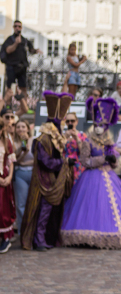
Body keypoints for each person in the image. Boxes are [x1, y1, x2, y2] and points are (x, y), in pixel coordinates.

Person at [61, 97, 121, 249]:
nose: (98, 128)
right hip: (91, 178)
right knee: (93, 207)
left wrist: (113, 159)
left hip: (110, 177)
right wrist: (102, 159)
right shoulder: (87, 141)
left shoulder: (109, 141)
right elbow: (85, 161)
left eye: (101, 125)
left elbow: (114, 164)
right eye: (96, 125)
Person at [21, 91, 74, 251]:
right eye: (61, 121)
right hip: (46, 182)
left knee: (51, 213)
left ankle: (48, 239)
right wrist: (64, 162)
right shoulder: (43, 139)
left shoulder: (58, 138)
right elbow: (45, 162)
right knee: (43, 212)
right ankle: (38, 240)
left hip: (56, 181)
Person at [0, 20, 42, 116]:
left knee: (23, 87)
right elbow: (7, 50)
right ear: (13, 27)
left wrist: (36, 50)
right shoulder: (10, 39)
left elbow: (31, 49)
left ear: (21, 28)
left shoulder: (25, 40)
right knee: (10, 87)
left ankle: (25, 105)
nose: (17, 28)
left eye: (19, 26)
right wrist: (15, 43)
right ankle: (8, 105)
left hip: (22, 67)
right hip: (11, 66)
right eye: (16, 26)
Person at [13, 120, 34, 233]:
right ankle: (22, 232)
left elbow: (38, 160)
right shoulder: (13, 142)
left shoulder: (34, 140)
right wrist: (23, 150)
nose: (21, 129)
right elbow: (15, 161)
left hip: (33, 173)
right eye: (18, 127)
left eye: (23, 127)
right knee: (21, 204)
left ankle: (32, 232)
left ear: (27, 128)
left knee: (33, 203)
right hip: (20, 174)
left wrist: (27, 163)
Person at [0, 118, 15, 253]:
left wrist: (9, 176)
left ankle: (5, 238)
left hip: (4, 178)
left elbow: (11, 161)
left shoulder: (6, 141)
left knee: (3, 208)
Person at [63, 112, 87, 183]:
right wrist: (64, 138)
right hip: (65, 166)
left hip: (78, 167)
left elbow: (84, 152)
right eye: (67, 121)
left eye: (72, 121)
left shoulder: (82, 135)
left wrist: (77, 138)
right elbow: (58, 151)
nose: (70, 123)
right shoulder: (62, 136)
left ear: (76, 122)